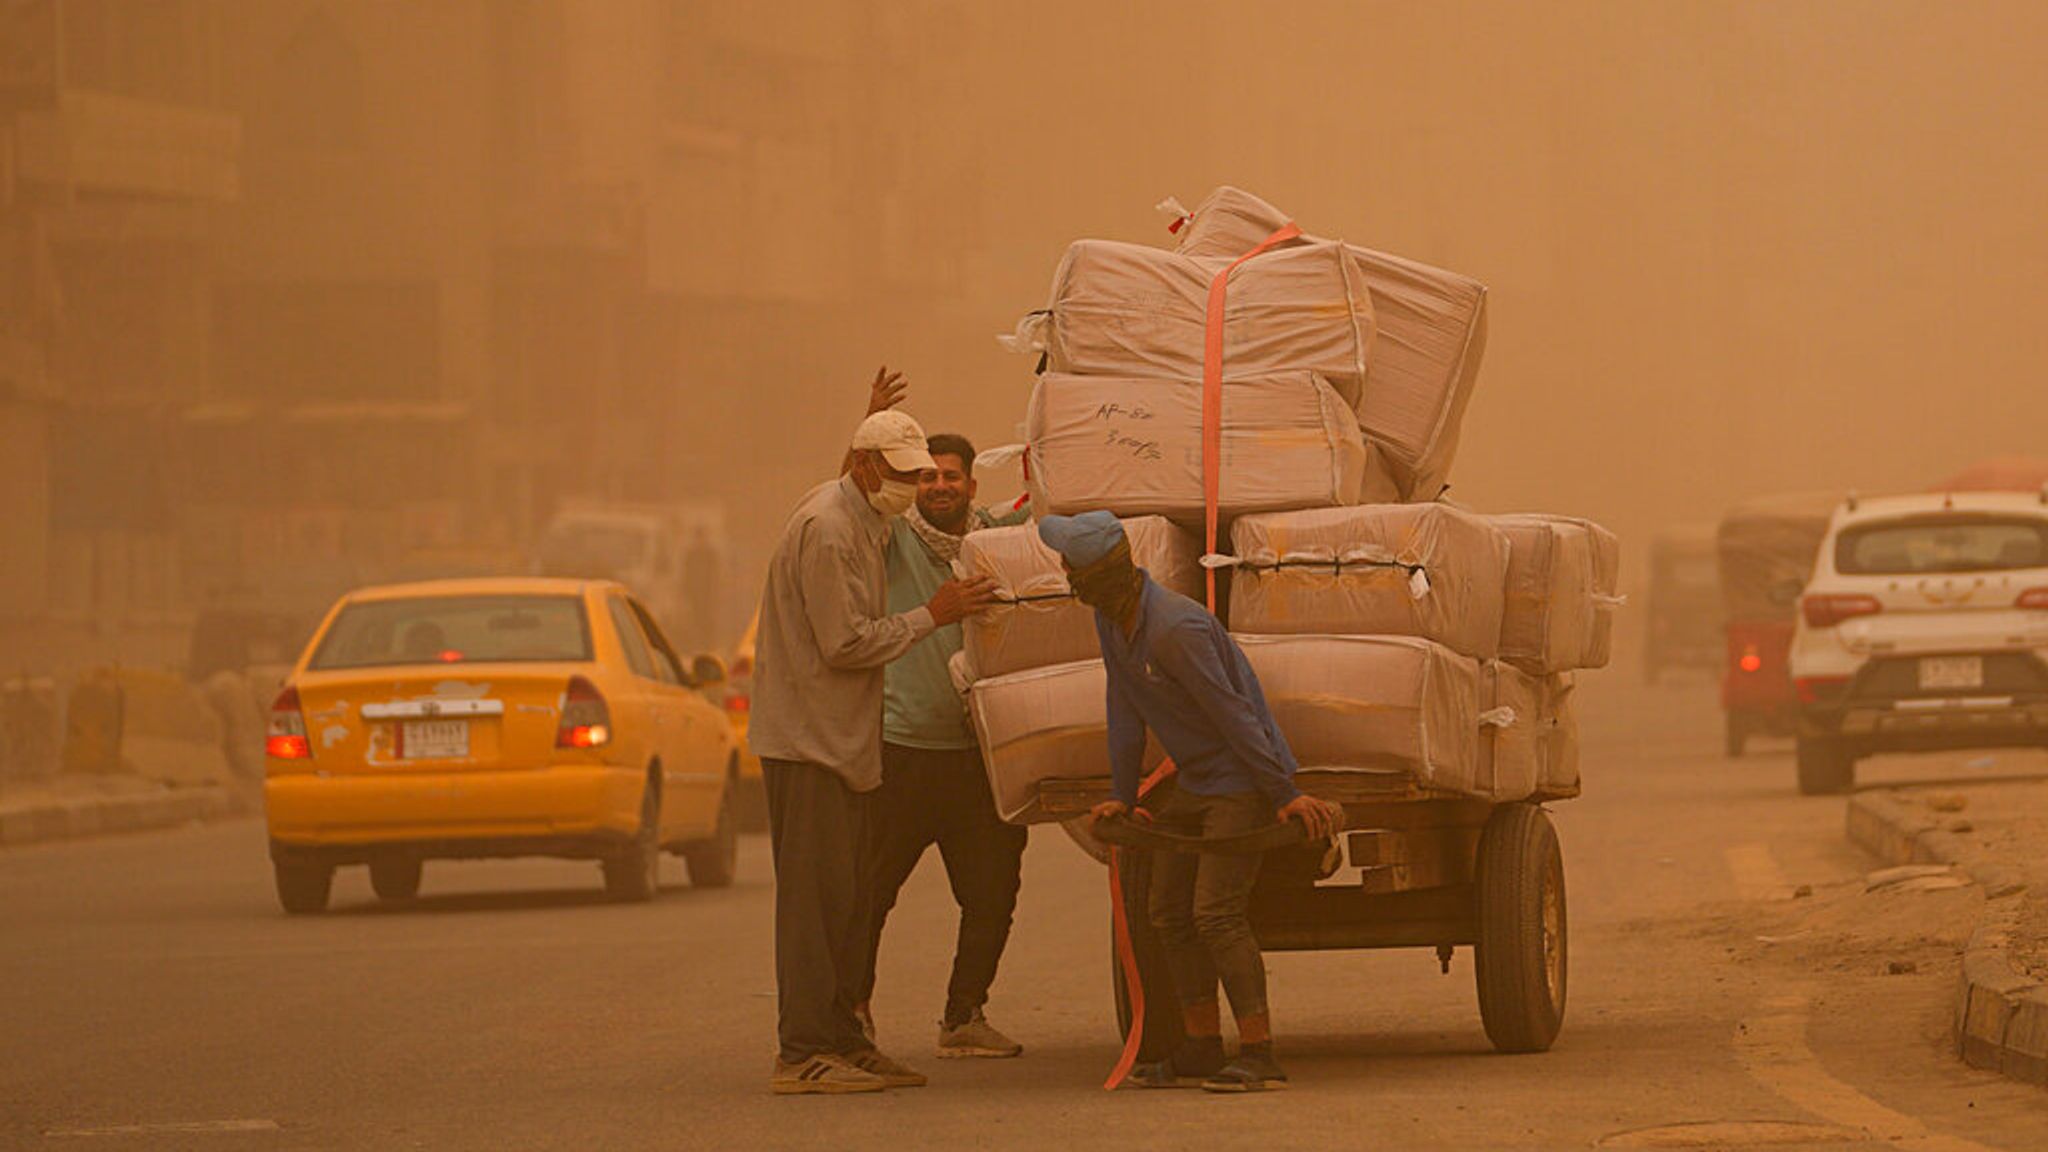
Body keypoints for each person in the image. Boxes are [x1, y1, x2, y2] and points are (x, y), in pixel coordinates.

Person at [1037, 510, 1341, 1093]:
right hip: (1198, 781)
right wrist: (1121, 797)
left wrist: (1283, 792)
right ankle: (1203, 1044)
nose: (1065, 577)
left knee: (1215, 914)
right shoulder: (1112, 620)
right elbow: (1123, 711)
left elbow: (1236, 714)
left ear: (1090, 578)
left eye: (1069, 569)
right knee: (1167, 911)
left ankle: (1260, 1053)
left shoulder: (1174, 629)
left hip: (1240, 781)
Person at [749, 389, 999, 1096]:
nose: (915, 487)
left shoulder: (862, 516)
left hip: (842, 743)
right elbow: (846, 642)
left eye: (919, 474)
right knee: (812, 906)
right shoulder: (830, 529)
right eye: (901, 473)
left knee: (844, 903)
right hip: (809, 743)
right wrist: (935, 614)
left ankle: (842, 1039)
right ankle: (802, 1053)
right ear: (865, 469)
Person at [855, 427, 1033, 1059]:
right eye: (926, 477)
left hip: (979, 759)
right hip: (901, 753)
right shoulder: (892, 537)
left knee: (993, 894)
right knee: (868, 895)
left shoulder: (993, 541)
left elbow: (1051, 507)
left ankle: (964, 1016)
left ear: (970, 486)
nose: (938, 487)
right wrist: (867, 434)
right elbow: (853, 498)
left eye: (949, 476)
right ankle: (853, 1014)